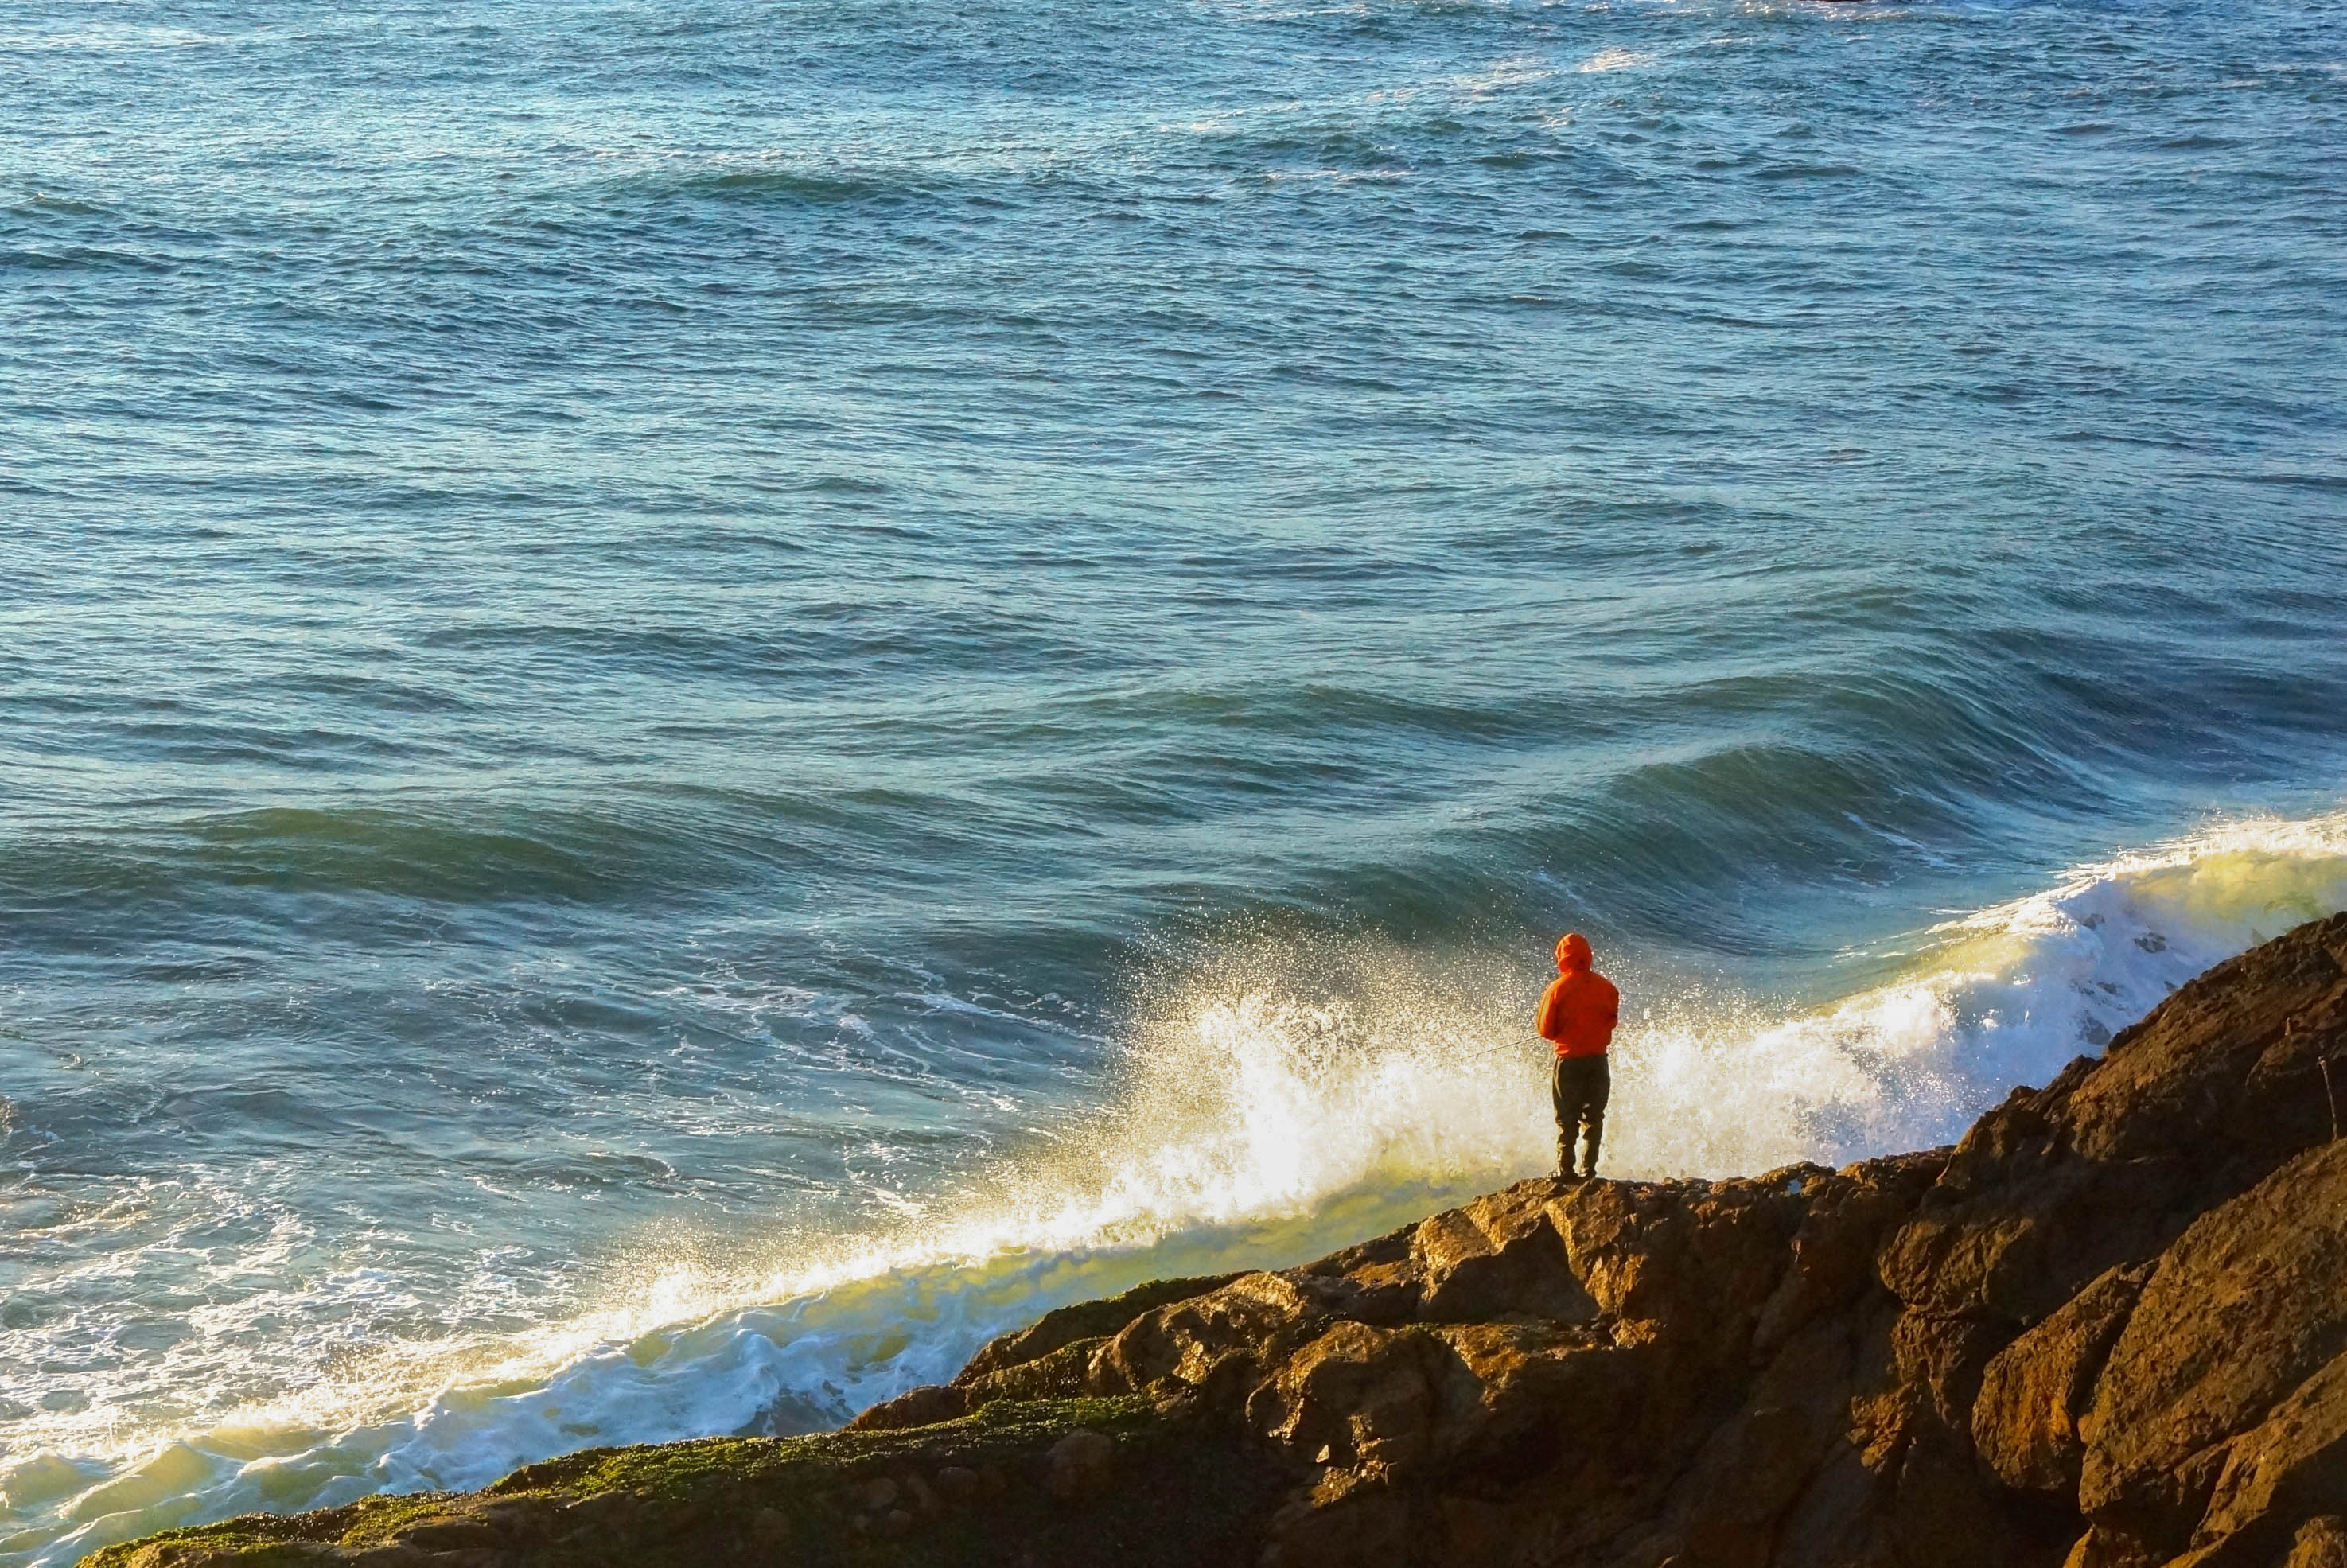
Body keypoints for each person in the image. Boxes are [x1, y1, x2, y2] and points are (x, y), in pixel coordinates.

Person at [1538, 932, 1618, 1181]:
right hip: (1598, 1061)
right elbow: (1612, 1021)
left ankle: (1565, 1169)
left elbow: (1545, 1031)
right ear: (1587, 956)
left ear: (1562, 957)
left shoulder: (1557, 989)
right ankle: (1589, 1169)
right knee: (1594, 1117)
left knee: (1566, 1117)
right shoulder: (1607, 988)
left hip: (1569, 1062)